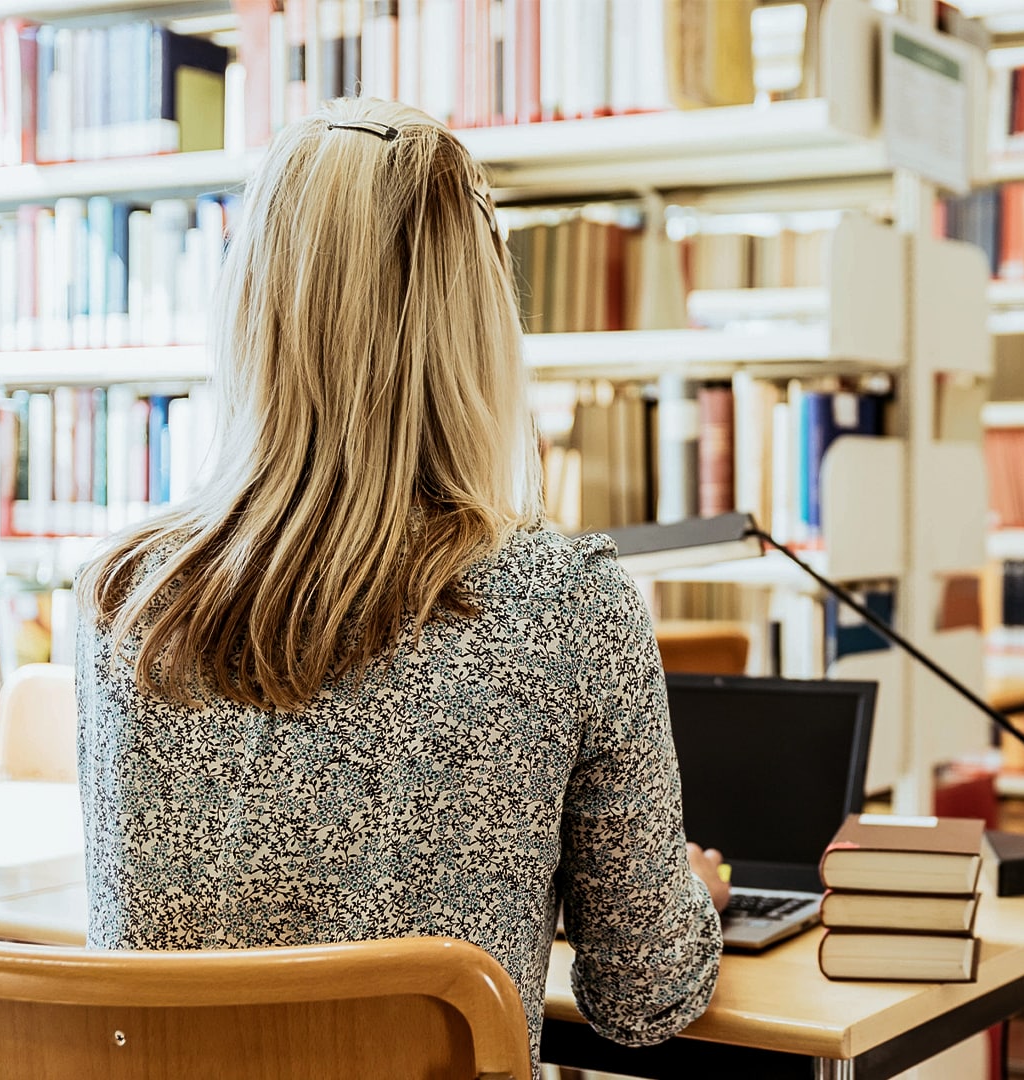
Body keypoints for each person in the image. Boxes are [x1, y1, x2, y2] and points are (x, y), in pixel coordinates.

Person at [73, 98, 726, 1067]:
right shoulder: (565, 604)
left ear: (252, 303)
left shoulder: (126, 598)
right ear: (477, 320)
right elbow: (644, 997)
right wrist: (689, 898)